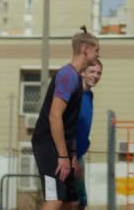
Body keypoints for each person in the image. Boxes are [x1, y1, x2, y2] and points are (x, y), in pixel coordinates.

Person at [31, 27, 100, 210]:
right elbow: (55, 116)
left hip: (64, 149)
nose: (98, 53)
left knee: (73, 201)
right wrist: (62, 156)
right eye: (96, 50)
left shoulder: (77, 79)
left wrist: (73, 155)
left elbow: (71, 123)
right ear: (85, 49)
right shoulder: (67, 75)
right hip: (48, 145)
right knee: (55, 199)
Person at [71, 59, 103, 210]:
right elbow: (67, 126)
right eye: (92, 72)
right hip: (70, 154)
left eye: (99, 73)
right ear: (82, 73)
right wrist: (71, 155)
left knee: (81, 202)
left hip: (79, 154)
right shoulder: (73, 94)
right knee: (71, 201)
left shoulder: (89, 95)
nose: (95, 76)